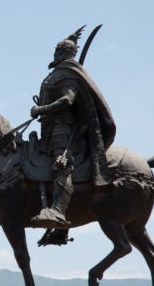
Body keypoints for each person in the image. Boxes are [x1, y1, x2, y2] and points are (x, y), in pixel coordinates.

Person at [29, 26, 116, 228]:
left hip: (63, 130)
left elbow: (67, 101)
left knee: (61, 165)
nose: (55, 54)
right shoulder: (60, 72)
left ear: (62, 53)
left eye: (57, 51)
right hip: (49, 130)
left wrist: (40, 109)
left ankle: (58, 210)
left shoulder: (68, 74)